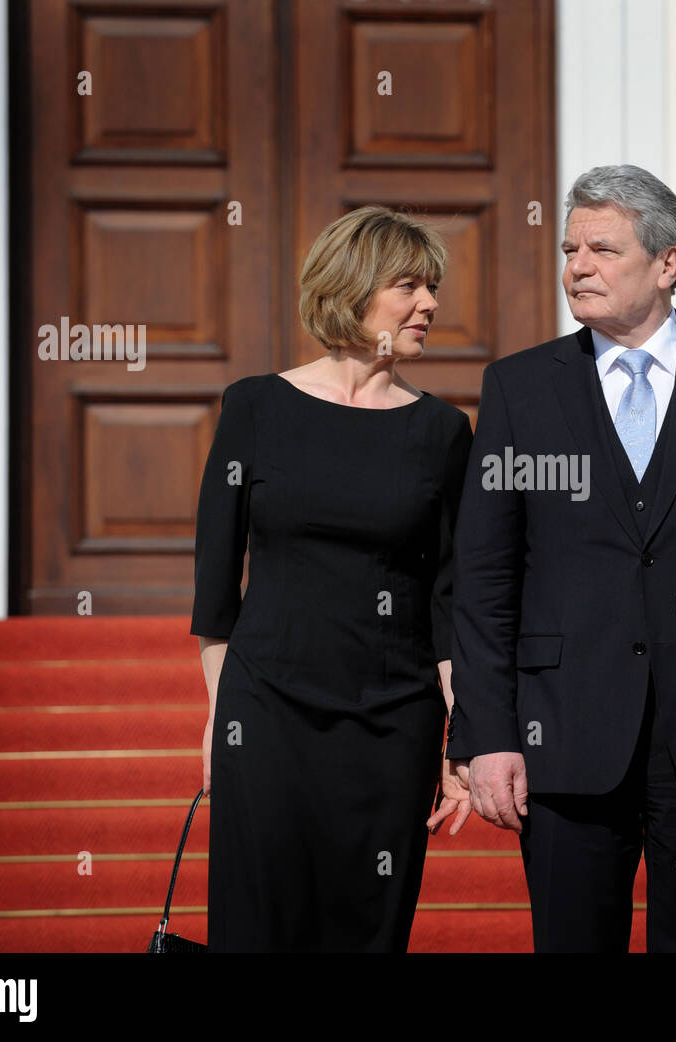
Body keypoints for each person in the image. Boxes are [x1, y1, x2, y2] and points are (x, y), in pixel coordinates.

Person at [443, 165, 676, 952]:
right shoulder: (519, 388)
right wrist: (486, 734)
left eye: (601, 249)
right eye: (569, 248)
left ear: (667, 263)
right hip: (561, 736)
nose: (576, 266)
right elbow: (482, 578)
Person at [190, 205, 473, 952]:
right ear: (351, 290)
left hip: (393, 724)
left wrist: (462, 736)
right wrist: (224, 719)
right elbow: (216, 596)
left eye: (433, 286)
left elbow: (450, 603)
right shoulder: (256, 408)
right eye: (409, 284)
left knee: (367, 932)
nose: (431, 304)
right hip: (269, 712)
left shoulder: (443, 432)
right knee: (260, 927)